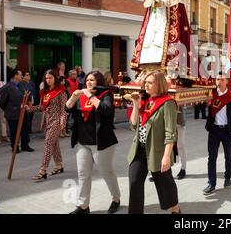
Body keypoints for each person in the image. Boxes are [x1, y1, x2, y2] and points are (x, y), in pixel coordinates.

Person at [65, 70, 120, 214]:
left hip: (102, 143)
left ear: (99, 82)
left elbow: (106, 109)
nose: (88, 82)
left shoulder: (105, 94)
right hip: (83, 142)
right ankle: (83, 206)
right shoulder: (81, 96)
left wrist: (90, 95)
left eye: (92, 80)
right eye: (87, 80)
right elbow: (67, 108)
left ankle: (116, 199)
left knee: (106, 172)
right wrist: (73, 96)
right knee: (83, 174)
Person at [127, 71, 181, 214]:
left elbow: (171, 133)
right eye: (146, 82)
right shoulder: (144, 100)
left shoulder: (168, 103)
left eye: (150, 82)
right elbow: (133, 125)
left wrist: (166, 156)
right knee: (134, 182)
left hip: (157, 151)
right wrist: (136, 105)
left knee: (165, 184)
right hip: (139, 150)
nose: (146, 85)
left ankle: (175, 209)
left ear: (160, 84)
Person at [203, 72, 231, 195]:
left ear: (227, 82)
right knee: (212, 157)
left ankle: (227, 177)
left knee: (228, 155)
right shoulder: (211, 95)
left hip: (227, 131)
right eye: (217, 79)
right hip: (214, 130)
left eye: (222, 79)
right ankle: (211, 183)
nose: (219, 82)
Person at [27, 70, 68, 181]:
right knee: (54, 144)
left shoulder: (61, 91)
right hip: (46, 121)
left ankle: (42, 170)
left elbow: (65, 109)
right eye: (46, 78)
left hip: (56, 121)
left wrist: (62, 122)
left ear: (55, 78)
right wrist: (30, 108)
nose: (48, 80)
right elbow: (42, 107)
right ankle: (59, 165)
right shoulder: (45, 91)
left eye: (50, 78)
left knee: (48, 143)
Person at [0, 69, 34, 153]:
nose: (22, 76)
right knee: (14, 131)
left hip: (23, 111)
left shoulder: (21, 85)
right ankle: (15, 147)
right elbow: (1, 101)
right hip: (13, 113)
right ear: (15, 75)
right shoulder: (7, 87)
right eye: (20, 74)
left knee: (24, 129)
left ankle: (25, 145)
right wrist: (9, 109)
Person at [0, 72, 9, 144]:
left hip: (2, 103)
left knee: (3, 119)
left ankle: (4, 135)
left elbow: (7, 92)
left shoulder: (3, 83)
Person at [175, 106, 187, 179]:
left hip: (179, 122)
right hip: (165, 122)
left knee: (180, 146)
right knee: (162, 146)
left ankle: (183, 169)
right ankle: (159, 171)